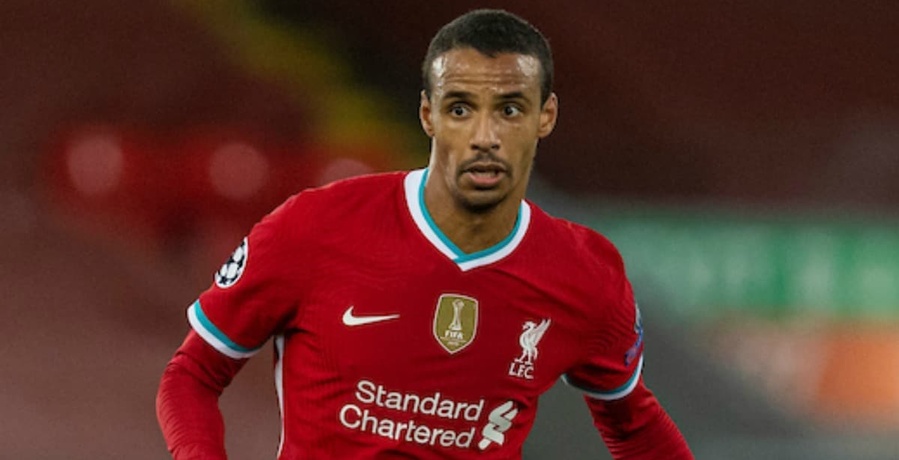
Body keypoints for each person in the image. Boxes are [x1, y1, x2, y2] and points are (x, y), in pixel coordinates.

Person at [156, 8, 693, 459]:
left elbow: (634, 425)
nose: (485, 136)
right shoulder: (313, 226)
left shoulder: (587, 275)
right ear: (428, 114)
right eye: (461, 109)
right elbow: (192, 375)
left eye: (509, 110)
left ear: (545, 116)